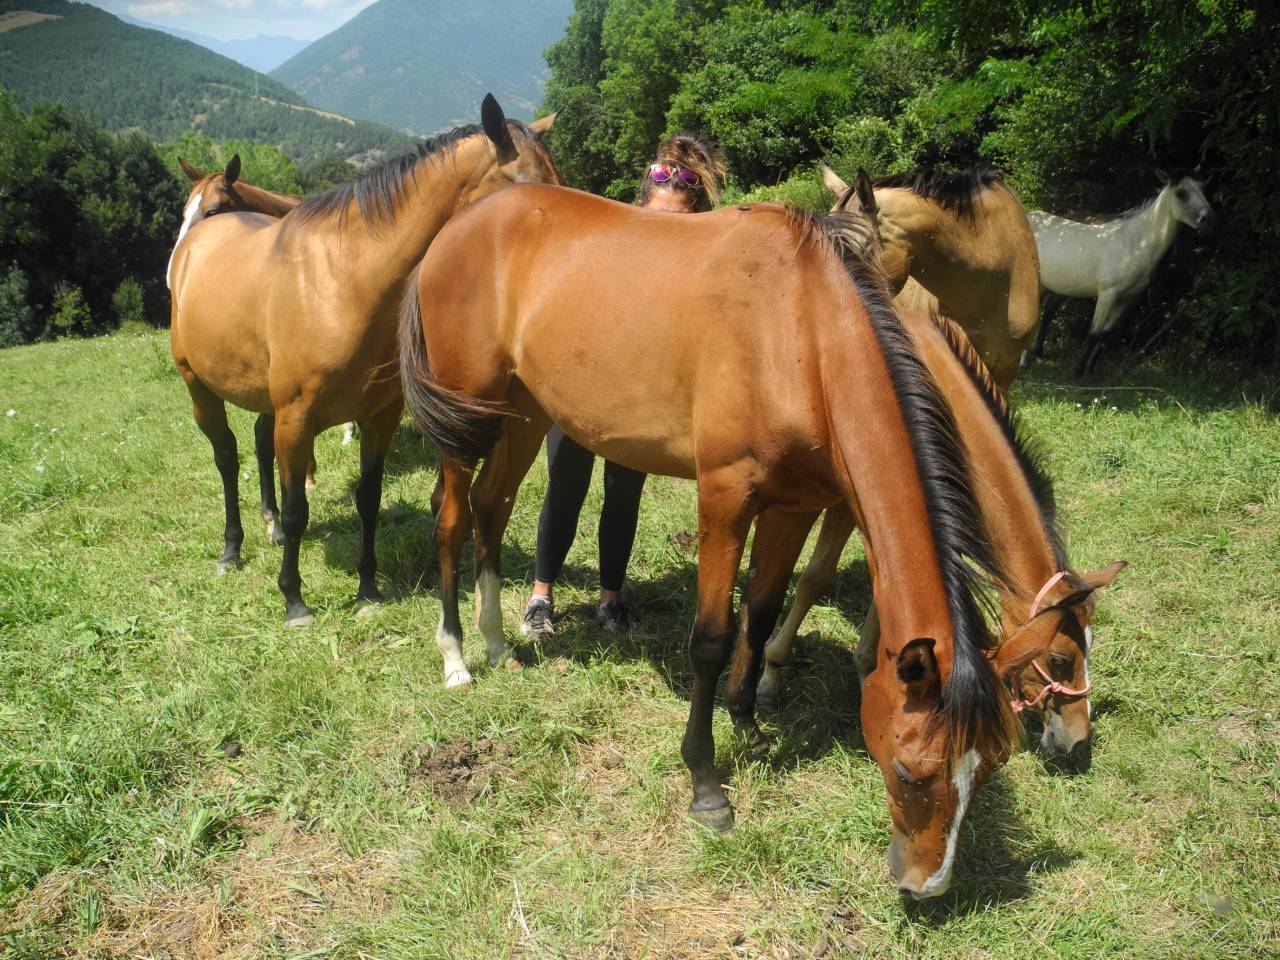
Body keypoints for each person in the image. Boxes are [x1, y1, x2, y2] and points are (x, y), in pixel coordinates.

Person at [522, 133, 727, 636]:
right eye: (653, 216)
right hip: (584, 388)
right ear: (639, 207)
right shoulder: (605, 249)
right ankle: (540, 596)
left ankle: (610, 599)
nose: (661, 231)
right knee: (565, 485)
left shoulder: (698, 273)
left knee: (624, 493)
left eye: (675, 222)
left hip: (641, 399)